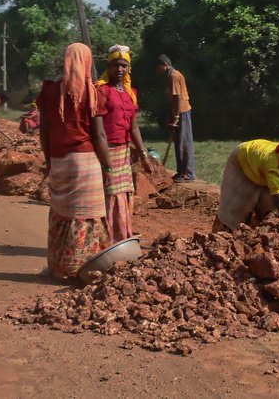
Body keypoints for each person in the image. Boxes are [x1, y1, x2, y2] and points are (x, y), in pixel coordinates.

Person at [36, 43, 113, 279]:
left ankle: (59, 266)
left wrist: (49, 161)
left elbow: (44, 131)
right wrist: (108, 165)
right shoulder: (92, 93)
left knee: (62, 213)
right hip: (86, 161)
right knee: (86, 215)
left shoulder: (49, 92)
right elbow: (99, 135)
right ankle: (84, 267)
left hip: (60, 161)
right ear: (87, 62)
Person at [95, 45, 153, 242]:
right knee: (110, 194)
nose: (119, 70)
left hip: (124, 149)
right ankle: (107, 239)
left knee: (124, 193)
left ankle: (121, 235)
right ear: (108, 66)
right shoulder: (101, 91)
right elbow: (99, 130)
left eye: (123, 65)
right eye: (115, 65)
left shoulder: (130, 92)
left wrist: (144, 155)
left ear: (129, 68)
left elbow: (134, 127)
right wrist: (105, 161)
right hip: (107, 149)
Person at [155, 54, 194, 181]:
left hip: (182, 111)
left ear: (164, 65)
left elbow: (177, 98)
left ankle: (186, 173)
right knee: (179, 142)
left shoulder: (174, 76)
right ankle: (181, 171)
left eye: (158, 67)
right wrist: (170, 115)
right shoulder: (169, 76)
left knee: (183, 143)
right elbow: (172, 99)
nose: (157, 71)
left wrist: (176, 117)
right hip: (178, 111)